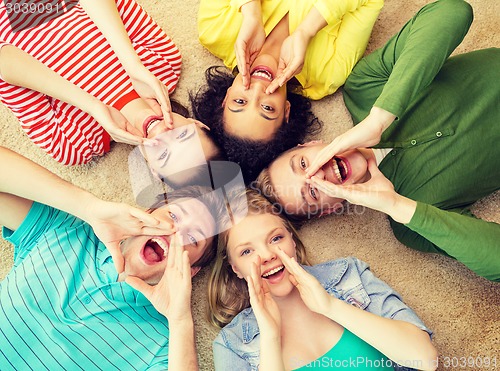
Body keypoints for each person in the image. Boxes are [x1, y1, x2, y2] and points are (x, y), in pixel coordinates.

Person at [255, 0, 500, 281]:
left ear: (310, 145)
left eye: (302, 164)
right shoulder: (409, 223)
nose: (317, 174)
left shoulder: (363, 87)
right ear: (331, 208)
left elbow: (453, 12)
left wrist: (379, 118)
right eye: (312, 192)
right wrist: (396, 205)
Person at [0, 146, 226, 370]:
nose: (176, 232)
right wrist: (88, 207)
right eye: (174, 215)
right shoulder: (65, 228)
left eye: (194, 237)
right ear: (147, 213)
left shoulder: (160, 345)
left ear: (192, 269)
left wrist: (180, 321)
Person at [208, 190, 437, 370]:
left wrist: (330, 306)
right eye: (247, 252)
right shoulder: (232, 344)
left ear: (293, 243)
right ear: (235, 268)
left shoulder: (348, 274)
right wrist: (270, 337)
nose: (267, 255)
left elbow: (425, 359)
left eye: (276, 238)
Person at [0, 0, 219, 170]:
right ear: (197, 124)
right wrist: (132, 65)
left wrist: (93, 107)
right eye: (182, 136)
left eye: (163, 155)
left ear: (151, 169)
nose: (164, 136)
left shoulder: (75, 146)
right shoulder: (164, 65)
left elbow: (4, 61)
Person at [192, 0, 384, 181]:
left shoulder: (214, 30)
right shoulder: (327, 74)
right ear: (286, 111)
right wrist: (307, 30)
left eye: (240, 101)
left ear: (225, 98)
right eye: (267, 108)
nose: (258, 89)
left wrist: (251, 13)